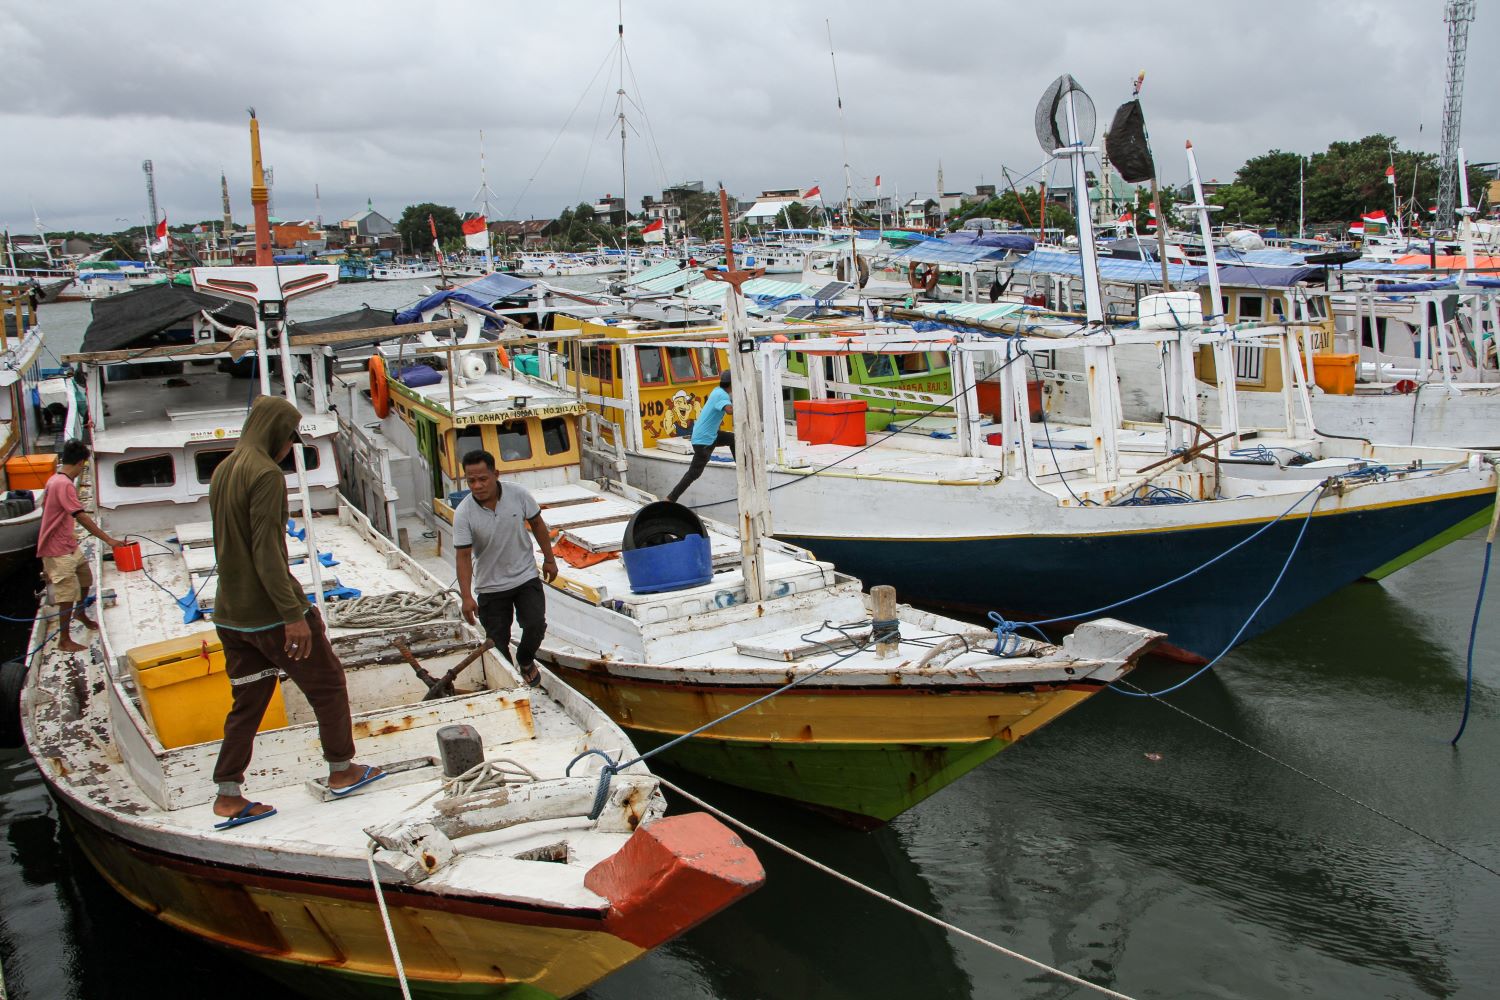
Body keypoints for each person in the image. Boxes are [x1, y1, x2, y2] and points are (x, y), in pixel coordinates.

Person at [208, 397, 380, 830]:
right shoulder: (265, 474)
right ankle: (342, 769)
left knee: (248, 702)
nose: (288, 449)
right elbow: (267, 551)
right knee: (327, 685)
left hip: (230, 615)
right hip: (270, 613)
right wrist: (293, 615)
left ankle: (227, 793)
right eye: (289, 440)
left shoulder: (224, 469)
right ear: (276, 435)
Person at [454, 449, 558, 685]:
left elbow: (537, 524)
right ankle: (510, 682)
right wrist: (466, 596)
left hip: (525, 576)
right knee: (497, 641)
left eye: (483, 479)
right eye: (471, 481)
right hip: (490, 586)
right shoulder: (463, 513)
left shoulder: (518, 494)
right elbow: (463, 555)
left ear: (496, 474)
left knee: (535, 625)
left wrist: (550, 559)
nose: (477, 486)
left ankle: (525, 659)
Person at [36, 439, 124, 654]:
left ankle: (80, 612)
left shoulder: (56, 479)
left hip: (68, 545)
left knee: (86, 579)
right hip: (56, 550)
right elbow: (81, 516)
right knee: (67, 594)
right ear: (79, 463)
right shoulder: (63, 484)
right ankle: (64, 640)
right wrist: (109, 540)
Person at [665, 370, 734, 504]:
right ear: (731, 384)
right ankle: (670, 498)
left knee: (733, 439)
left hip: (709, 435)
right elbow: (729, 411)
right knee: (694, 473)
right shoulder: (722, 395)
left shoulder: (717, 391)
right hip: (704, 440)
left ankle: (742, 467)